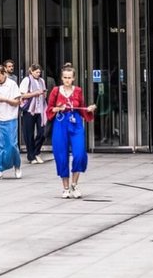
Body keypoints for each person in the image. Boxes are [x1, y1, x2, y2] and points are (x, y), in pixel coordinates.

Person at [46, 64, 96, 199]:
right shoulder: (56, 91)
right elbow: (49, 109)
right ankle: (66, 187)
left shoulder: (78, 90)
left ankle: (74, 184)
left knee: (79, 153)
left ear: (73, 78)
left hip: (75, 123)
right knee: (61, 154)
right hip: (61, 123)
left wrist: (89, 109)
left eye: (69, 77)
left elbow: (81, 107)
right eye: (65, 77)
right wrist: (56, 109)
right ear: (62, 78)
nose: (67, 80)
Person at [0, 64, 23, 180]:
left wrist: (4, 100)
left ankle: (17, 165)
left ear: (4, 74)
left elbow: (17, 102)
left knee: (11, 144)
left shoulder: (12, 85)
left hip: (10, 117)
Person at [20, 63, 48, 165]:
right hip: (29, 110)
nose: (38, 74)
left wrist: (43, 94)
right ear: (31, 71)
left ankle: (36, 152)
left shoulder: (42, 81)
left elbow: (44, 93)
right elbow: (22, 95)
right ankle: (31, 156)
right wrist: (35, 93)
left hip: (40, 109)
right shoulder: (26, 80)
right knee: (29, 134)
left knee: (42, 133)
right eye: (36, 72)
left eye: (39, 72)